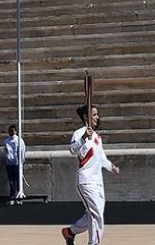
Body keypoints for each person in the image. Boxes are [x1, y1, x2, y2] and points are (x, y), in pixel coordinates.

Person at [62, 105, 120, 245]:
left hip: (98, 182)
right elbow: (72, 150)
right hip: (85, 181)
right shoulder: (79, 133)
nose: (97, 118)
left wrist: (112, 167)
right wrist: (83, 138)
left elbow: (101, 159)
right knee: (96, 215)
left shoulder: (97, 137)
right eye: (94, 115)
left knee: (92, 214)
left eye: (97, 115)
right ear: (86, 117)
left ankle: (70, 232)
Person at [2, 124, 26, 203]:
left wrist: (21, 161)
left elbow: (22, 151)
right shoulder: (6, 141)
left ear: (15, 131)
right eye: (9, 131)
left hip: (17, 163)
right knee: (11, 181)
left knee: (18, 180)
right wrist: (6, 158)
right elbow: (5, 151)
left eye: (12, 131)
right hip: (9, 163)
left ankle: (18, 196)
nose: (11, 132)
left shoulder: (19, 140)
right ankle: (12, 196)